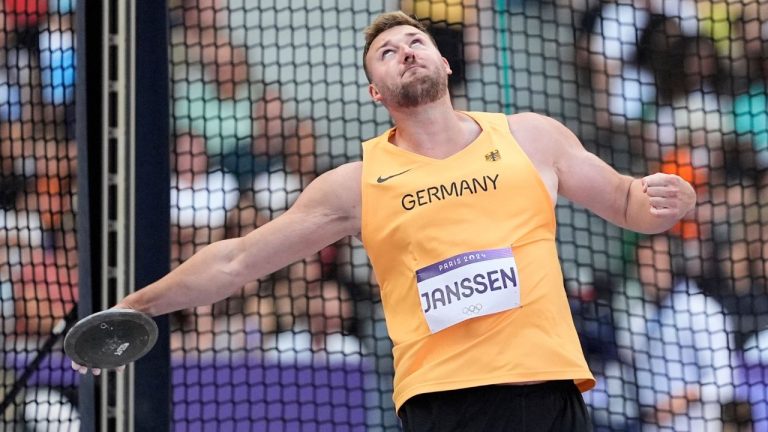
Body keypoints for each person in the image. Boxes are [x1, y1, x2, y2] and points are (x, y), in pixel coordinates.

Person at [70, 11, 697, 430]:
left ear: (445, 63)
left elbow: (625, 203)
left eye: (416, 42)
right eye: (387, 52)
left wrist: (669, 200)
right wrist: (140, 304)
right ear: (376, 91)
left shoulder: (533, 137)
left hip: (547, 391)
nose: (405, 53)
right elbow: (237, 260)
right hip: (442, 402)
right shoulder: (355, 184)